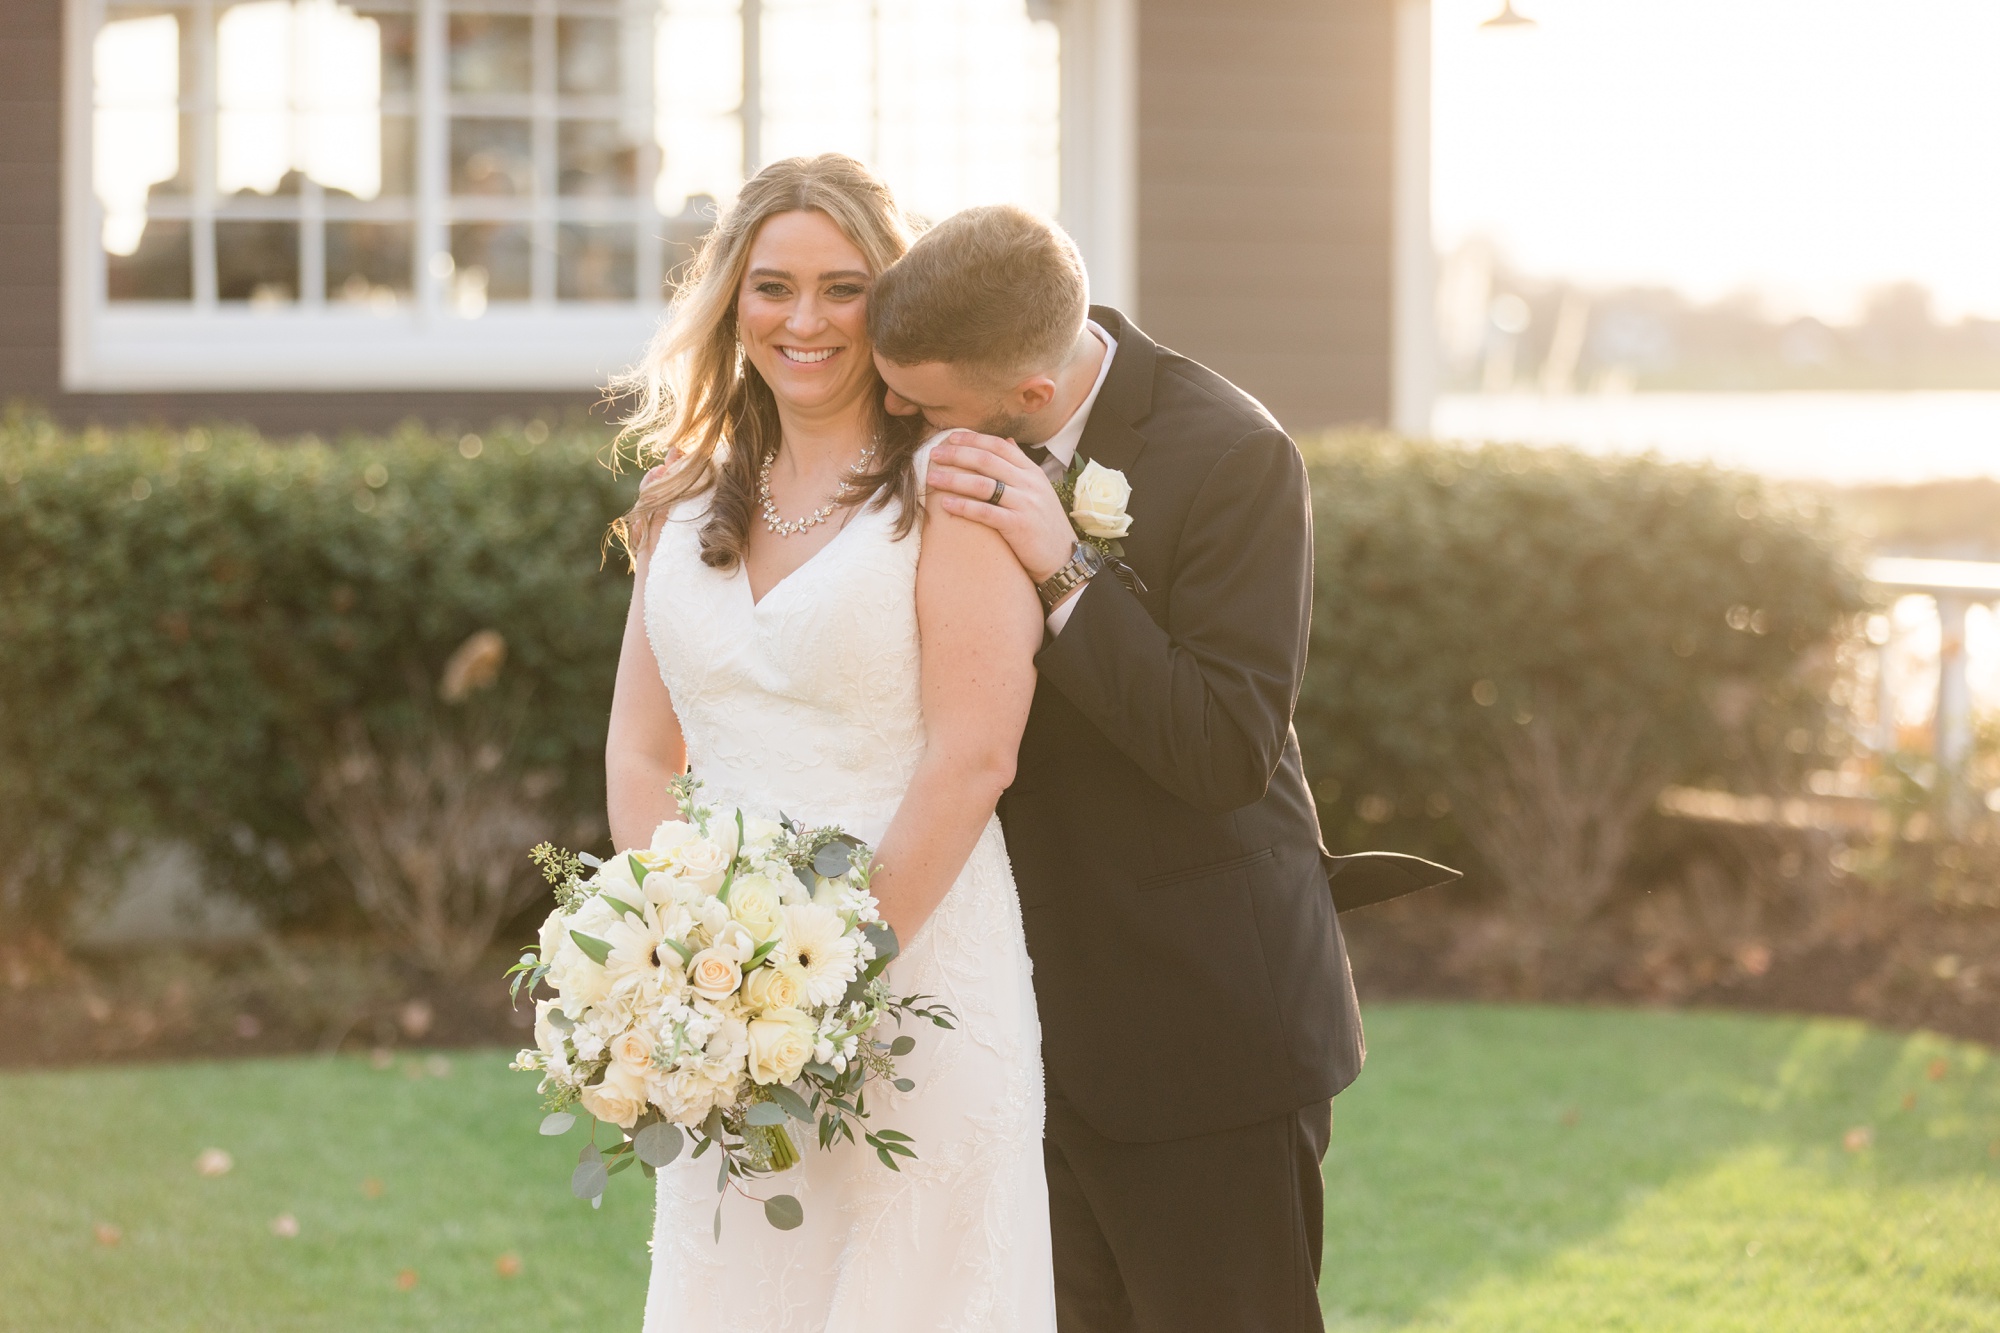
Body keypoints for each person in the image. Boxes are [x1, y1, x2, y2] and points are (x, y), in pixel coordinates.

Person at [867, 204, 1366, 1333]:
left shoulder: (1233, 453)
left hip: (1200, 1029)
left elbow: (1223, 746)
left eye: (926, 402)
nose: (898, 416)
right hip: (1019, 1023)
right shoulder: (933, 428)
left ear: (1030, 398)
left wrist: (1065, 562)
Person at [602, 157, 1057, 1331]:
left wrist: (827, 987)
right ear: (729, 302)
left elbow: (973, 759)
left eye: (842, 288)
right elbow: (643, 752)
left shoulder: (948, 491)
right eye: (771, 286)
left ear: (887, 304)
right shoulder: (679, 501)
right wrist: (689, 964)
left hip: (919, 987)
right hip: (724, 1010)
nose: (802, 320)